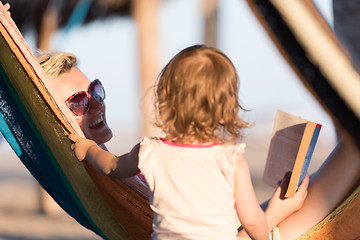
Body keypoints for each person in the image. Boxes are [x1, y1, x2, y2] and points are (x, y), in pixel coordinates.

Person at [68, 45, 309, 240]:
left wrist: (88, 148)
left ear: (166, 99)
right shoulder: (231, 159)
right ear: (226, 108)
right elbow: (252, 220)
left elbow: (111, 166)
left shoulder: (151, 151)